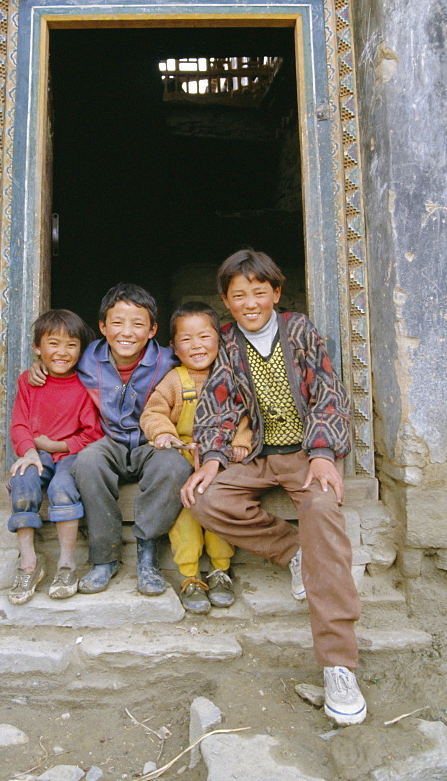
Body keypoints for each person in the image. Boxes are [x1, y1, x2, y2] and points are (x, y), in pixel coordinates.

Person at [181, 249, 367, 726]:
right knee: (206, 498)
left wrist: (325, 453)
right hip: (262, 454)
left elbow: (328, 390)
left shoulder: (299, 330)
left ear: (276, 293)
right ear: (225, 299)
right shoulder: (227, 343)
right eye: (238, 294)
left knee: (323, 514)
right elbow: (219, 404)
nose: (249, 302)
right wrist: (213, 459)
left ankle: (339, 666)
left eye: (259, 292)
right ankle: (292, 553)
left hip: (307, 453)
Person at [28, 284, 193, 596]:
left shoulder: (170, 360)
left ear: (152, 329)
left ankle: (147, 554)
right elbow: (58, 359)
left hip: (151, 442)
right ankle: (105, 558)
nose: (126, 332)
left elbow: (204, 360)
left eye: (138, 324)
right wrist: (40, 366)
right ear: (102, 326)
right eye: (117, 323)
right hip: (109, 440)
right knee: (87, 462)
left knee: (174, 467)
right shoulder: (87, 358)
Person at [140, 302, 251, 614]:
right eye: (186, 340)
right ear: (174, 346)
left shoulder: (232, 379)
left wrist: (241, 442)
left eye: (204, 337)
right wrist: (163, 433)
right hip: (186, 461)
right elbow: (154, 411)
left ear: (219, 339)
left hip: (223, 462)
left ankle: (220, 569)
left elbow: (247, 417)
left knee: (218, 510)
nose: (196, 345)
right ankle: (189, 575)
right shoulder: (175, 380)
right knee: (185, 514)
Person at [7, 309, 103, 605]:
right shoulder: (29, 381)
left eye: (71, 345)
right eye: (53, 343)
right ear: (37, 348)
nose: (62, 352)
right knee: (23, 479)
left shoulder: (85, 386)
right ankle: (29, 564)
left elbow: (94, 432)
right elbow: (20, 423)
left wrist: (58, 445)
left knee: (62, 489)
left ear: (81, 350)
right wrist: (29, 450)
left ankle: (66, 565)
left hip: (70, 455)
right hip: (38, 453)